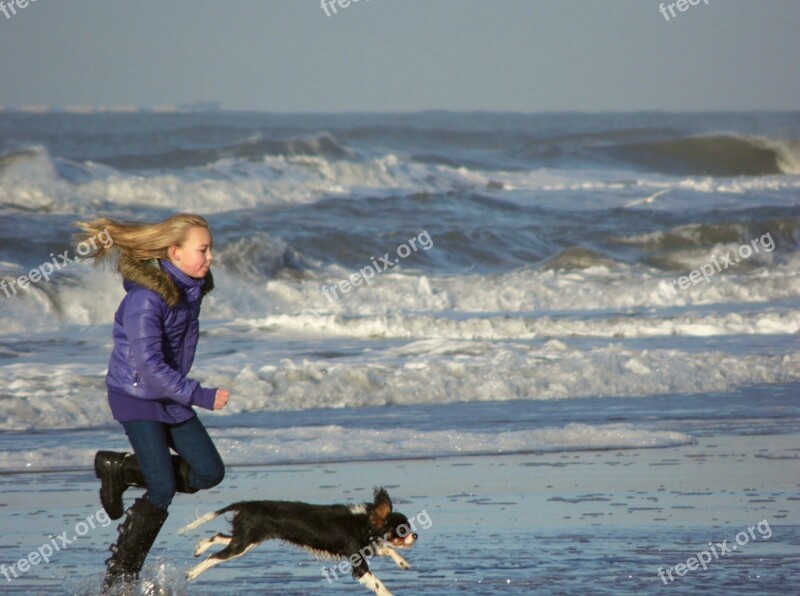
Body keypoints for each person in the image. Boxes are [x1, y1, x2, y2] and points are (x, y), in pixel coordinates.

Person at [75, 213, 229, 590]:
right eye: (203, 250)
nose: (209, 257)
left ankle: (122, 469)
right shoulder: (146, 299)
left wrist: (183, 393)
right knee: (160, 488)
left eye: (210, 249)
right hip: (136, 395)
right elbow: (148, 365)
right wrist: (200, 395)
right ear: (174, 252)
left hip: (168, 394)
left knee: (209, 471)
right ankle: (121, 575)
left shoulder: (189, 289)